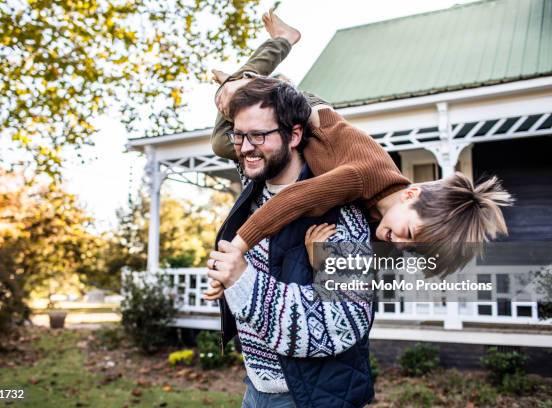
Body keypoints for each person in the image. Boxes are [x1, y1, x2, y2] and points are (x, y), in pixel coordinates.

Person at [204, 10, 513, 302]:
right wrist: (237, 248)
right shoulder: (364, 176)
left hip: (308, 141)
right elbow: (295, 198)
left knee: (225, 134)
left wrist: (320, 257)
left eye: (413, 248)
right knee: (226, 117)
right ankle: (276, 48)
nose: (402, 243)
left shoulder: (389, 229)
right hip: (311, 115)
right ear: (412, 195)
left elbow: (369, 277)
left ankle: (243, 81)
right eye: (411, 233)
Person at [207, 76, 376, 408]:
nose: (244, 148)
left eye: (258, 135)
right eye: (239, 135)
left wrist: (242, 281)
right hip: (255, 389)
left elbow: (344, 320)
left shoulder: (341, 212)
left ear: (295, 134)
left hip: (313, 396)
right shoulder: (253, 191)